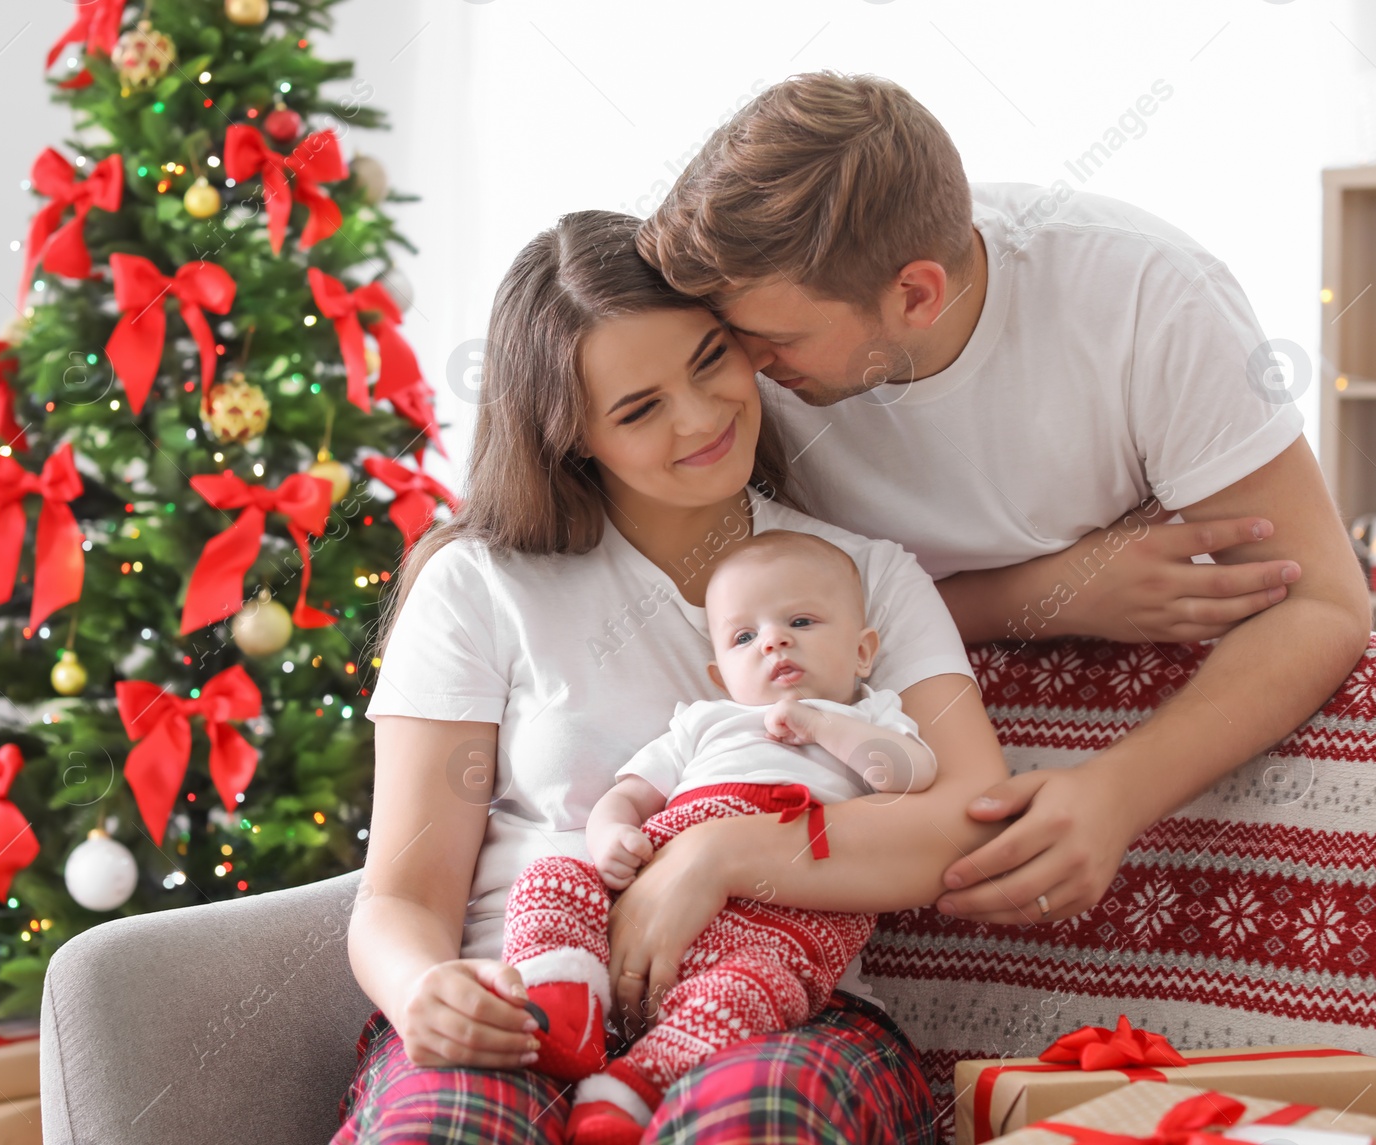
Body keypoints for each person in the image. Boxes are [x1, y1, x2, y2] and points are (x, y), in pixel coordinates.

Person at [626, 70, 1371, 963]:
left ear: (915, 295)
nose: (734, 372)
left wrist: (1116, 791)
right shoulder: (742, 356)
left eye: (772, 341)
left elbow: (1324, 600)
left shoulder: (1147, 300)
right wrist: (1051, 592)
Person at [334, 210, 1009, 1144]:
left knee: (755, 1122)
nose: (700, 417)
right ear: (573, 437)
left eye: (708, 361)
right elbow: (402, 896)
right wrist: (423, 992)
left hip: (778, 1006)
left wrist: (719, 853)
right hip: (521, 990)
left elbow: (969, 820)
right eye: (639, 408)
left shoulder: (863, 576)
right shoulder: (478, 582)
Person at [499, 531, 939, 1143]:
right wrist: (611, 837)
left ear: (863, 651)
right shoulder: (705, 722)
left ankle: (630, 1091)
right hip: (650, 891)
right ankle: (562, 1003)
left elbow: (912, 774)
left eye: (801, 621)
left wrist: (823, 726)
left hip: (785, 919)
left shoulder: (871, 716)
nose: (774, 641)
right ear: (720, 674)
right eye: (743, 637)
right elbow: (627, 796)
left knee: (749, 993)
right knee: (552, 878)